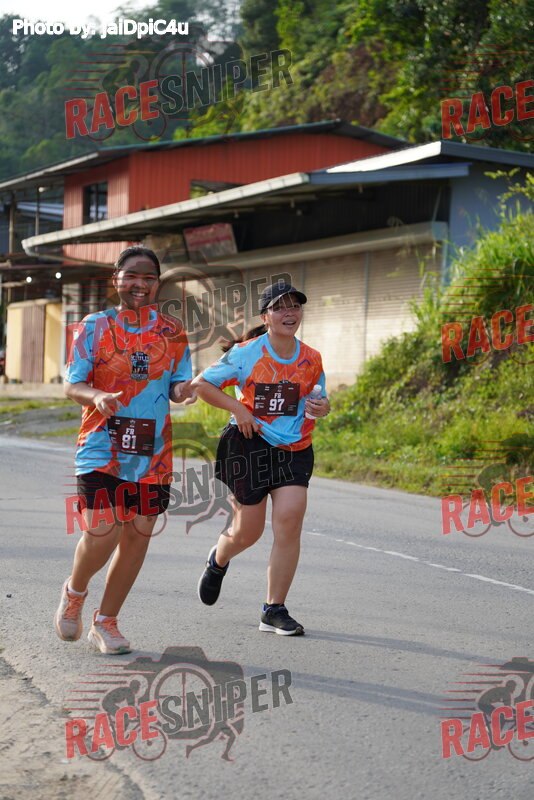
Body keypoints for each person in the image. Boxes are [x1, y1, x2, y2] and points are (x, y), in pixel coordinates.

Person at [55, 246, 196, 654]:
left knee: (137, 536)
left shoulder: (172, 331)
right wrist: (97, 396)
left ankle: (106, 622)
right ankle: (75, 591)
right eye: (132, 275)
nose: (140, 284)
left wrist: (185, 390)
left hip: (153, 450)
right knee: (104, 530)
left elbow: (177, 384)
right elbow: (72, 384)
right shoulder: (94, 326)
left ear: (158, 283)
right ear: (116, 278)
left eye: (149, 277)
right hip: (102, 443)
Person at [192, 281, 330, 635]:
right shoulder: (245, 353)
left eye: (295, 306)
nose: (289, 313)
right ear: (265, 316)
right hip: (250, 445)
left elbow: (319, 398)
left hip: (295, 448)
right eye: (280, 307)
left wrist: (322, 407)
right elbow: (202, 385)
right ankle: (218, 559)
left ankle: (273, 608)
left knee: (289, 521)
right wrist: (238, 408)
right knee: (247, 532)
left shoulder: (311, 358)